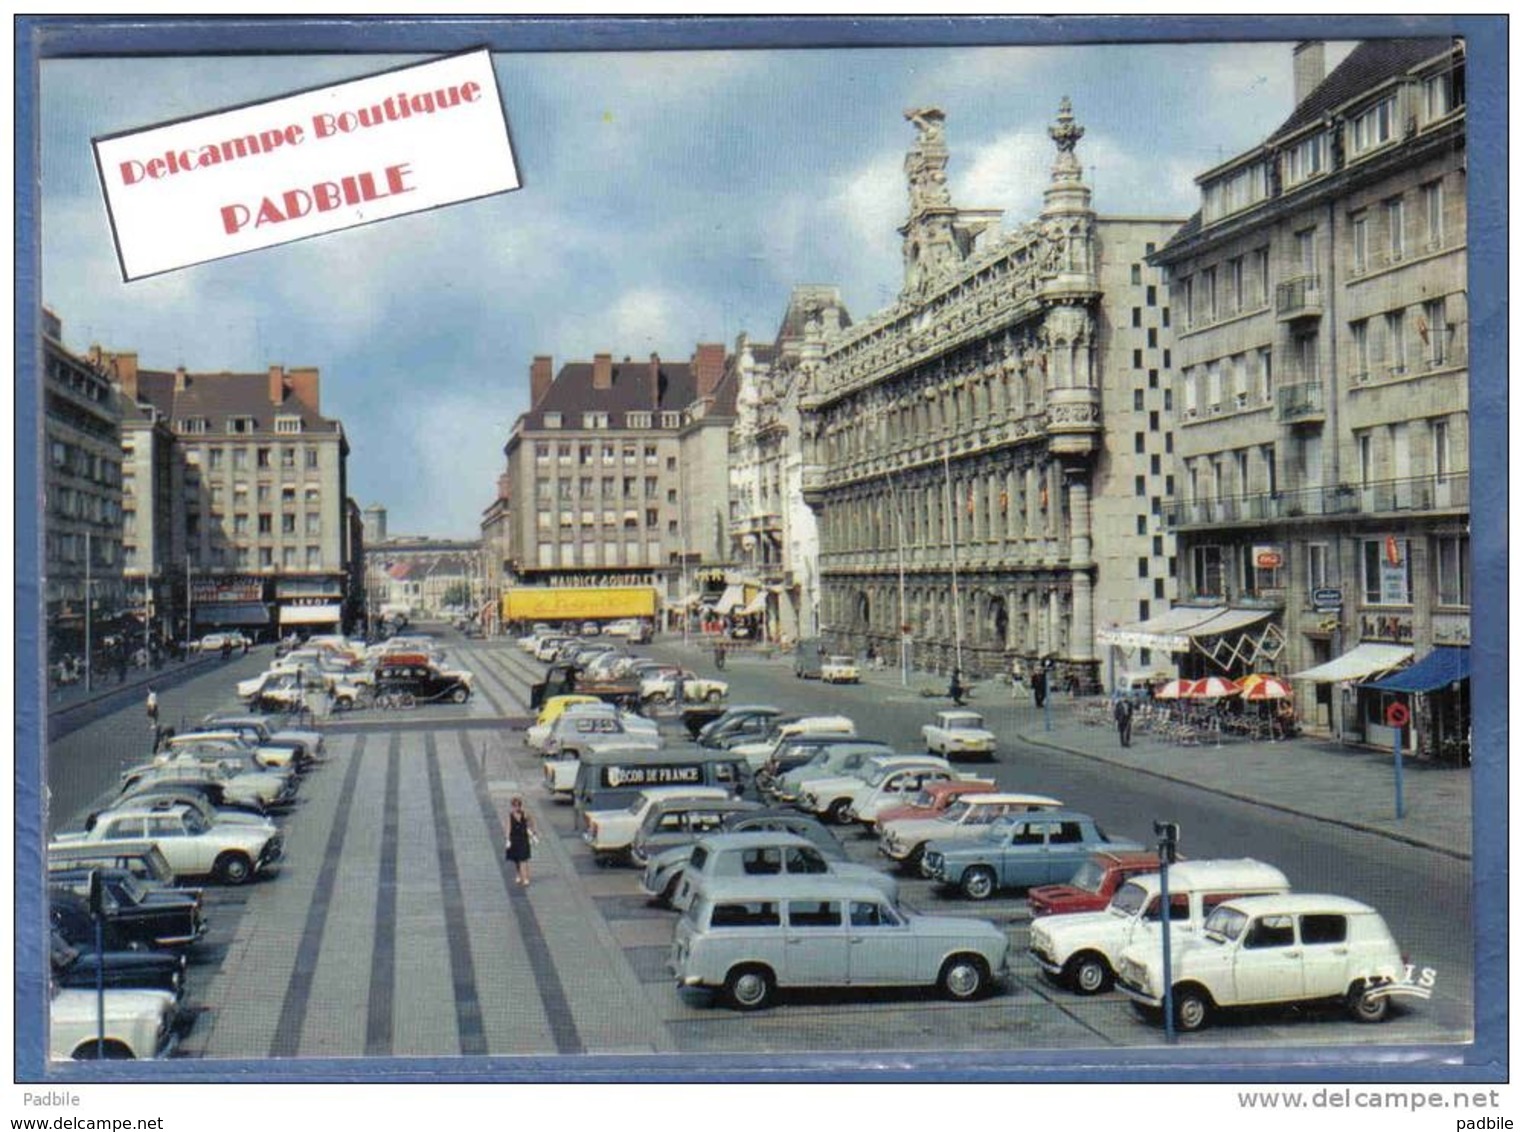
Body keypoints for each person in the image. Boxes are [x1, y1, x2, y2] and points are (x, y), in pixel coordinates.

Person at [503, 796, 539, 887]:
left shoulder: (525, 814)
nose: (517, 808)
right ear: (512, 806)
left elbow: (532, 821)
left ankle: (525, 878)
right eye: (515, 806)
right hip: (514, 839)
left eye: (518, 806)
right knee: (517, 860)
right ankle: (519, 873)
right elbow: (508, 828)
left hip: (523, 839)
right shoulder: (510, 816)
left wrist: (533, 832)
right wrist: (507, 839)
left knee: (523, 859)